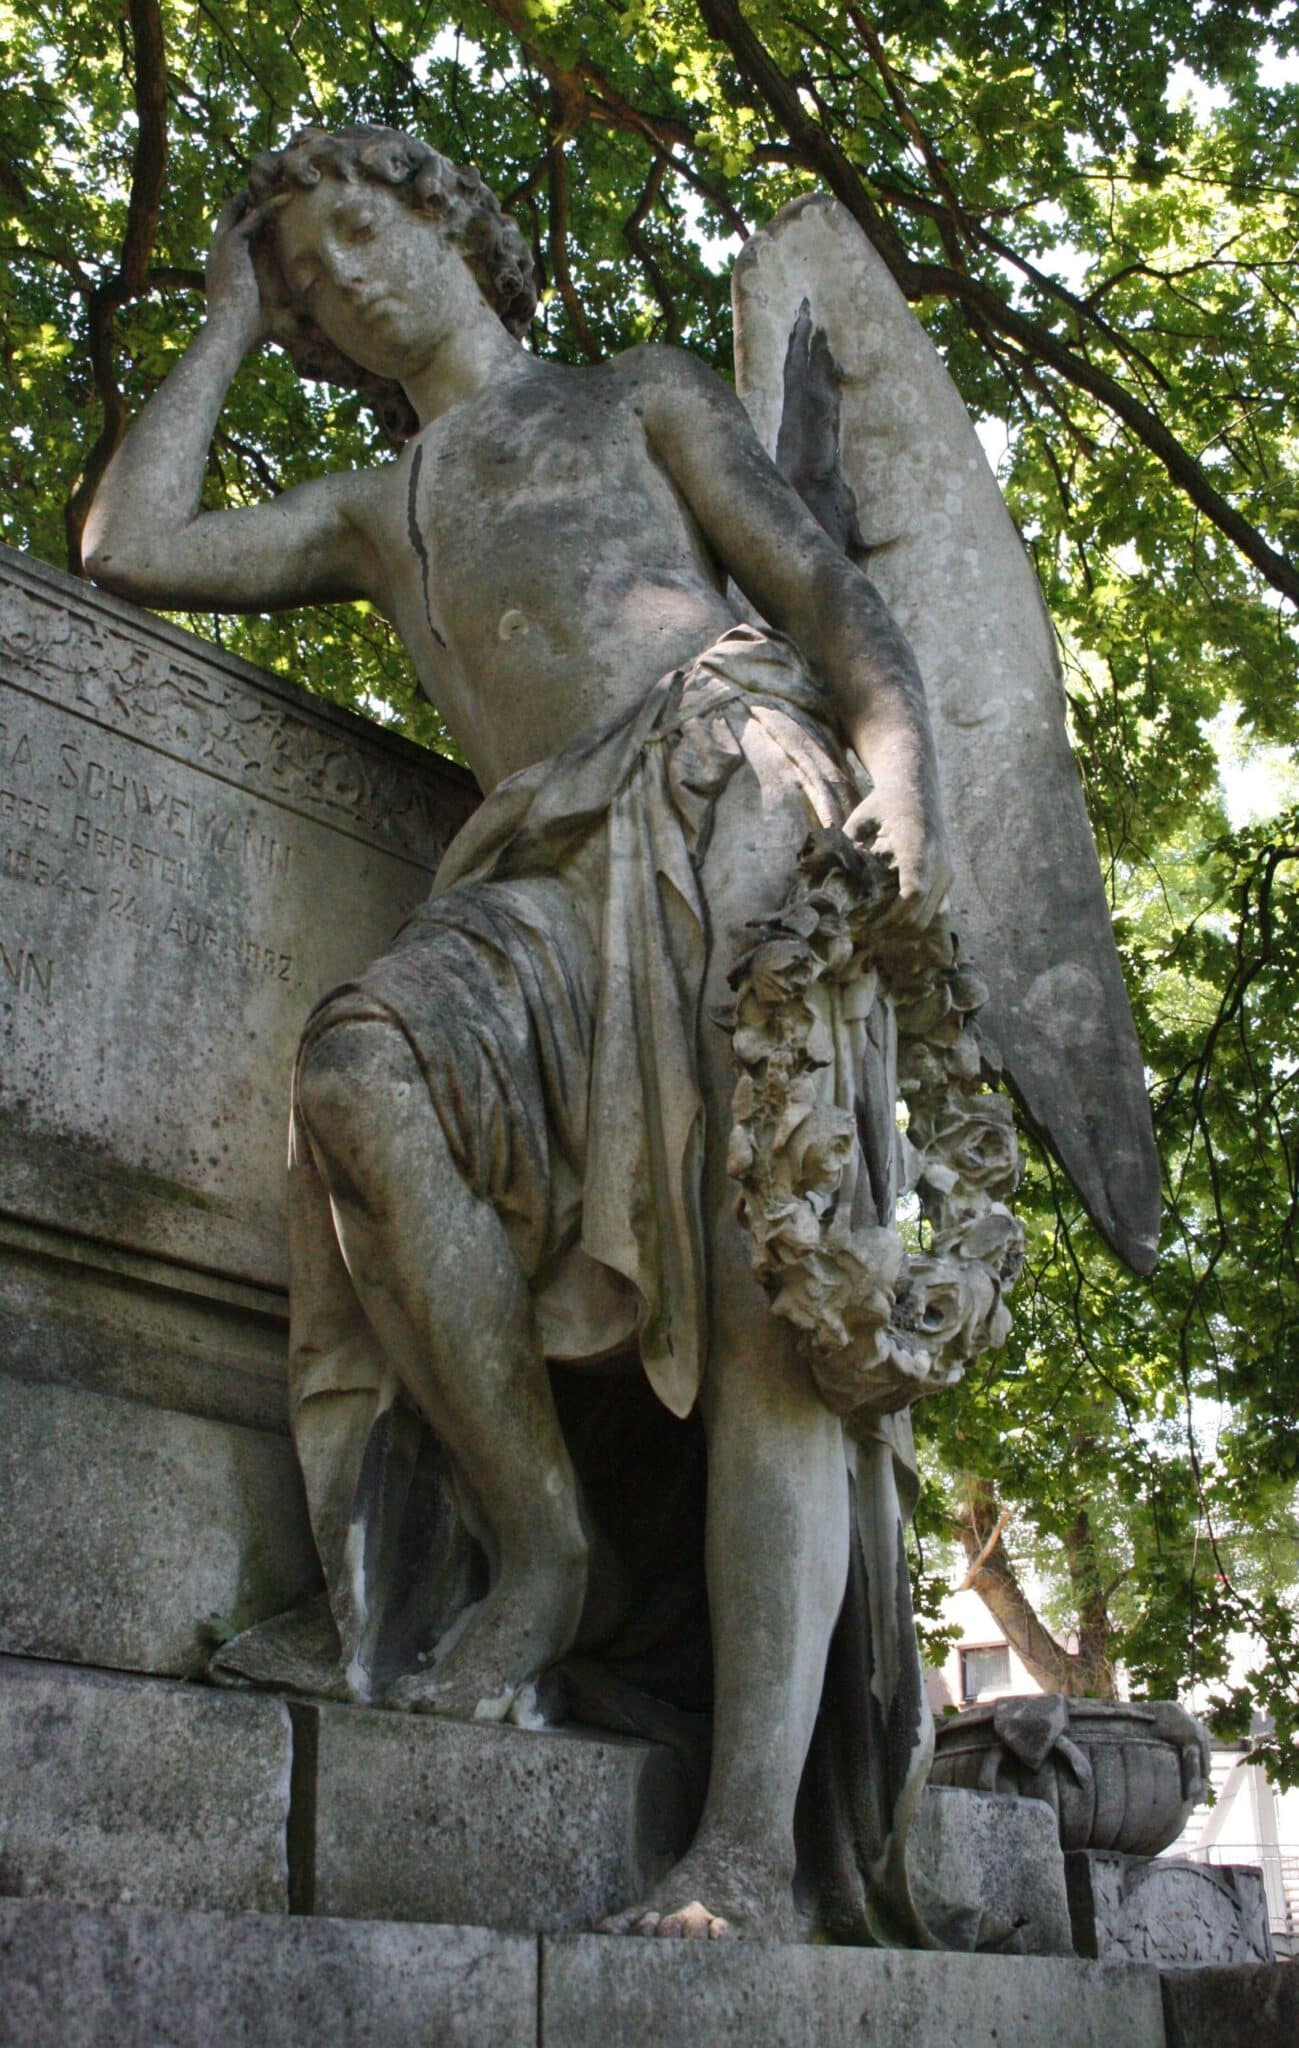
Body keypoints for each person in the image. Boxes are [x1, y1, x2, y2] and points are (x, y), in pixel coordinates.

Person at [84, 125, 951, 1942]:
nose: (338, 281)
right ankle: (544, 1547)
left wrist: (903, 790)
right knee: (361, 1074)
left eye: (353, 232)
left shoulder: (635, 394)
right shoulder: (374, 507)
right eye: (305, 277)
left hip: (732, 794)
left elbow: (826, 597)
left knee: (766, 1281)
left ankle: (742, 1847)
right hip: (544, 872)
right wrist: (227, 315)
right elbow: (131, 544)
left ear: (449, 219)